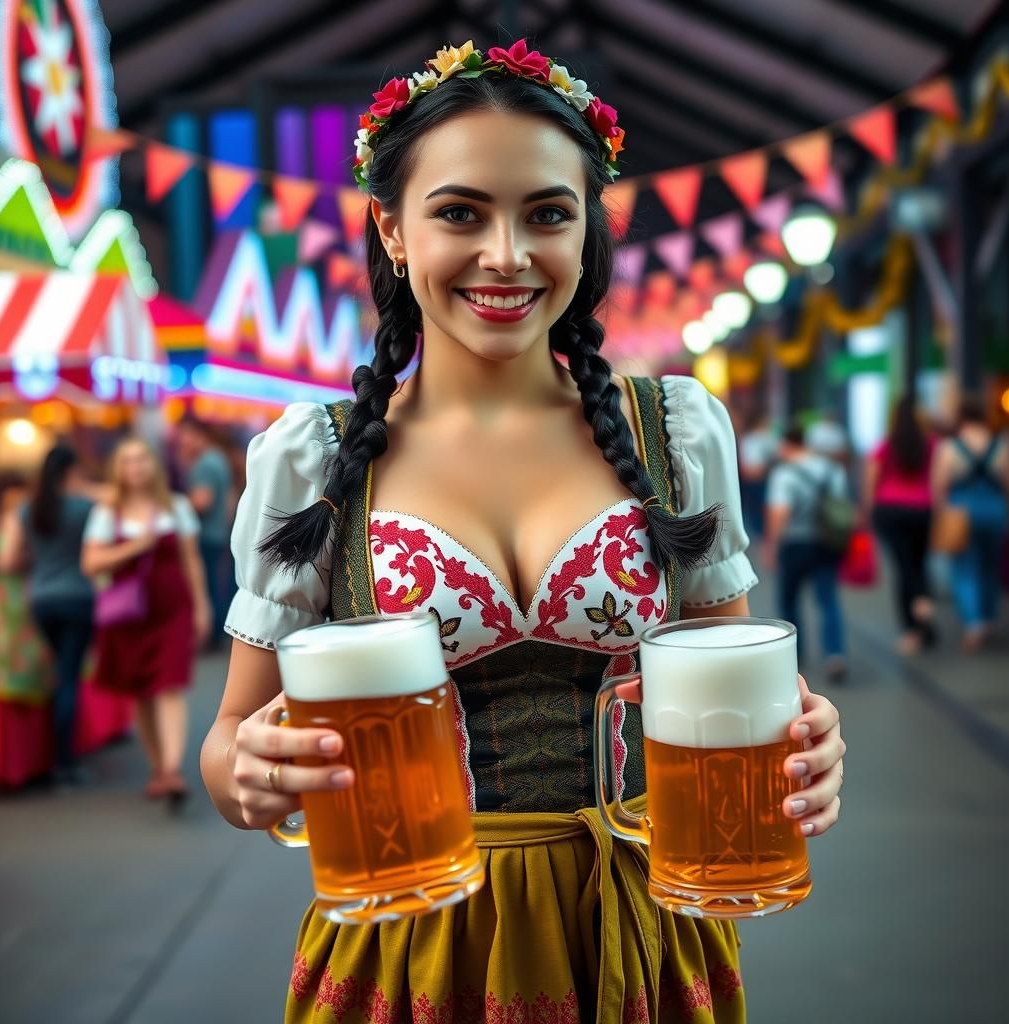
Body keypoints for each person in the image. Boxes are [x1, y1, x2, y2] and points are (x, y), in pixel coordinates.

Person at [201, 41, 845, 1022]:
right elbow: (226, 739)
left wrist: (806, 743)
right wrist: (244, 775)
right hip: (410, 941)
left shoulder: (673, 429)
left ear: (587, 233)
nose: (506, 254)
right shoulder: (314, 457)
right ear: (392, 229)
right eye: (460, 211)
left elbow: (741, 672)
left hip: (637, 930)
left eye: (547, 213)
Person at [81, 438, 210, 807]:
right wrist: (136, 547)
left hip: (172, 609)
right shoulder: (109, 511)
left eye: (142, 460)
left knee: (170, 685)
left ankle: (171, 768)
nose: (136, 467)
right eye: (128, 461)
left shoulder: (177, 506)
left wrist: (201, 606)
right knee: (141, 691)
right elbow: (90, 563)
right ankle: (158, 766)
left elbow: (191, 560)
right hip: (129, 614)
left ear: (153, 464)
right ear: (118, 469)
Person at [0, 446, 96, 783]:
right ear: (71, 470)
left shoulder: (28, 509)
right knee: (70, 677)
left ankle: (54, 756)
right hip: (79, 598)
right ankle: (65, 762)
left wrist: (39, 563)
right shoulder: (86, 508)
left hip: (41, 600)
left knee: (58, 676)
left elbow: (10, 560)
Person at [931, 394, 1009, 652]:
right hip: (995, 511)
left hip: (961, 512)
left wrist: (941, 515)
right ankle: (988, 617)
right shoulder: (1001, 445)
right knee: (991, 567)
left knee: (965, 568)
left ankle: (974, 622)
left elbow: (939, 485)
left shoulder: (949, 446)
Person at [764, 422, 850, 681]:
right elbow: (841, 504)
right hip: (827, 542)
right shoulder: (832, 469)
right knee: (828, 599)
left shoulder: (784, 474)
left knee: (789, 599)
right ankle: (835, 654)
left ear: (786, 445)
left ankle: (795, 655)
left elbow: (779, 513)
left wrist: (771, 545)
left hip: (795, 544)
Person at [862, 397, 937, 654]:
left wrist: (868, 512)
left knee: (904, 568)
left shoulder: (886, 445)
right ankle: (924, 611)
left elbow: (871, 480)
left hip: (890, 511)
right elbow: (939, 478)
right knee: (919, 564)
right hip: (923, 511)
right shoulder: (932, 444)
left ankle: (912, 628)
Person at [175, 415, 233, 644]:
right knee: (216, 584)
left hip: (206, 534)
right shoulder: (218, 458)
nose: (183, 442)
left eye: (186, 436)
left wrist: (176, 505)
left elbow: (202, 502)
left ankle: (212, 634)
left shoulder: (205, 464)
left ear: (200, 435)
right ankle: (217, 632)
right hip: (218, 532)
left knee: (207, 586)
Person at [737, 412, 777, 537]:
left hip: (753, 481)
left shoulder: (751, 439)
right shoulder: (761, 438)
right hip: (757, 481)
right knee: (759, 516)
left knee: (756, 516)